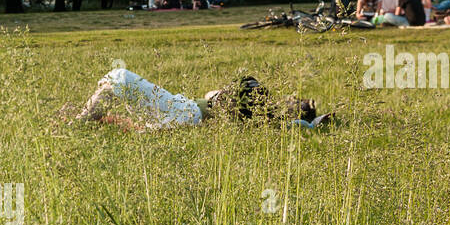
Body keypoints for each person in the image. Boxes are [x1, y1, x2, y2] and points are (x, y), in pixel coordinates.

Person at [74, 68, 320, 129]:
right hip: (185, 110)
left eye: (292, 102)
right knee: (120, 78)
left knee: (121, 76)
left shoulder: (258, 118)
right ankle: (81, 120)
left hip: (186, 112)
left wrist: (310, 120)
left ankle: (79, 121)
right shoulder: (258, 119)